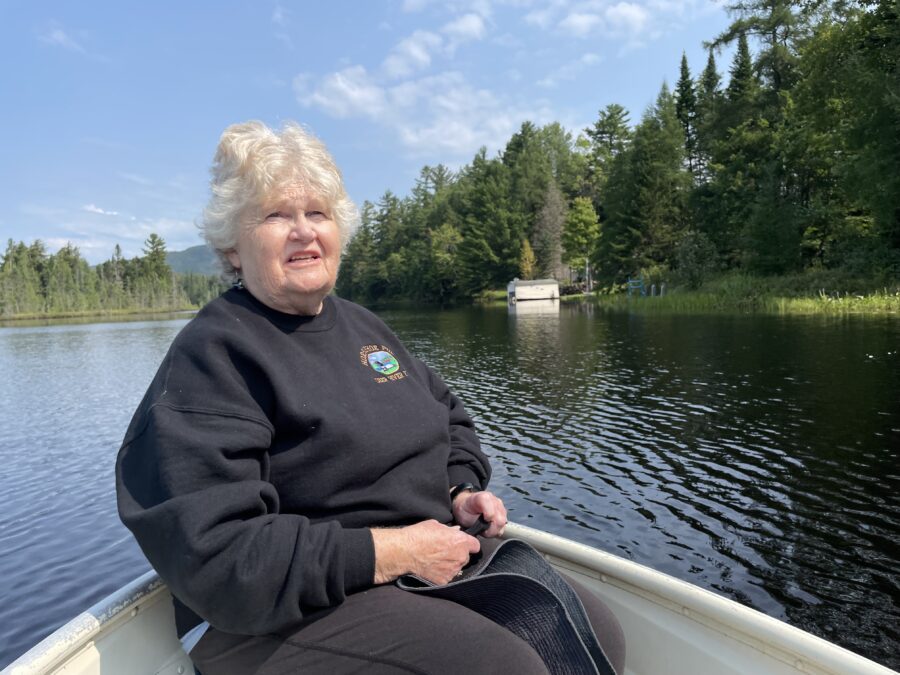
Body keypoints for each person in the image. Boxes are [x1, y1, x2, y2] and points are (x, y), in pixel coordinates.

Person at [116, 120, 625, 675]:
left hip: (417, 561)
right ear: (233, 248)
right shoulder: (214, 356)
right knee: (499, 667)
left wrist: (459, 490)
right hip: (273, 612)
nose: (304, 231)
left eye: (318, 213)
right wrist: (393, 552)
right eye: (276, 215)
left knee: (593, 630)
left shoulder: (364, 328)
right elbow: (216, 553)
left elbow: (448, 416)